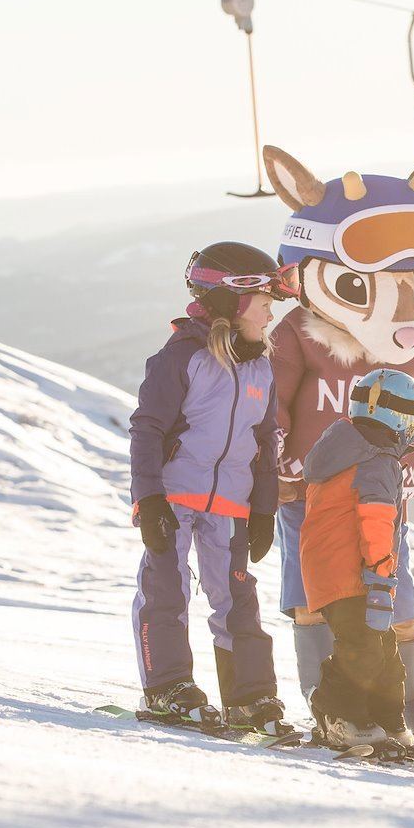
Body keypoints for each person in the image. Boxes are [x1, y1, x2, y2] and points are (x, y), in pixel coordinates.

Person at [265, 141, 414, 752]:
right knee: (315, 601)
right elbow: (270, 404)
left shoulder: (412, 340)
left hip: (386, 498)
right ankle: (326, 702)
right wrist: (274, 468)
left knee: (395, 604)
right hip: (309, 496)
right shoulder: (299, 333)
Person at [127, 242, 295, 735]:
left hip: (231, 503)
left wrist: (262, 509)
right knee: (166, 588)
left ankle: (250, 697)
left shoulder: (260, 367)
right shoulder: (182, 358)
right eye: (263, 302)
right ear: (231, 300)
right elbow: (147, 429)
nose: (270, 314)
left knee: (237, 598)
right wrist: (149, 498)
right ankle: (168, 687)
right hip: (174, 497)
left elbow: (265, 441)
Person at [297, 369, 414, 752]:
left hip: (334, 571)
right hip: (354, 573)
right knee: (363, 648)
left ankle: (387, 721)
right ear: (399, 420)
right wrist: (380, 577)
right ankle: (336, 713)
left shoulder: (347, 451)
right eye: (413, 422)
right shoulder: (377, 461)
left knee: (383, 649)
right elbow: (376, 522)